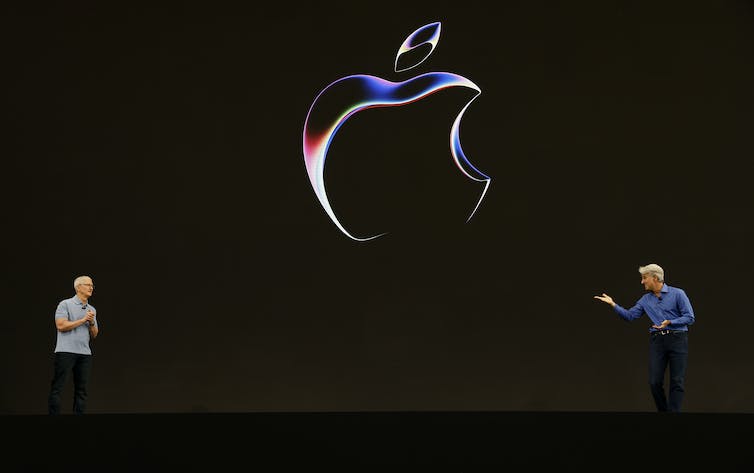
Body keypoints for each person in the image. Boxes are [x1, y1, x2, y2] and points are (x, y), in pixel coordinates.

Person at [594, 264, 695, 412]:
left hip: (677, 339)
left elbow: (689, 317)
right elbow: (630, 316)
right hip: (658, 341)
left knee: (677, 381)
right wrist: (613, 304)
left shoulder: (678, 294)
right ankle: (664, 412)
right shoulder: (645, 300)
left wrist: (671, 322)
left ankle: (674, 414)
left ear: (655, 278)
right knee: (654, 382)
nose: (642, 282)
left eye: (644, 278)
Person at [47, 275, 99, 415]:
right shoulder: (65, 304)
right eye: (88, 285)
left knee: (82, 391)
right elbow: (61, 325)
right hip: (65, 352)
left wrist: (92, 322)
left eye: (92, 285)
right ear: (78, 287)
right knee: (58, 387)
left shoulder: (91, 310)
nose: (91, 287)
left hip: (85, 354)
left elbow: (94, 334)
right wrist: (83, 320)